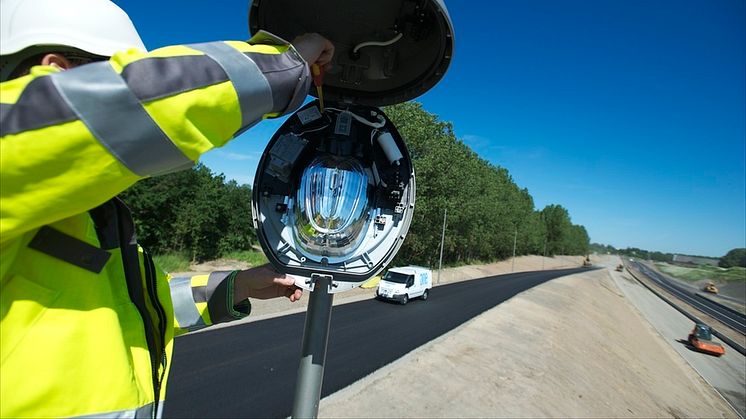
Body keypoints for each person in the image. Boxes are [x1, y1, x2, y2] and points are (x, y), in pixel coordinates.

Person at [0, 0, 334, 417]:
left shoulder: (81, 222)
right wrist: (286, 65)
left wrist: (236, 287)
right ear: (59, 73)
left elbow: (137, 308)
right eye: (111, 70)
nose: (126, 82)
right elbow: (142, 102)